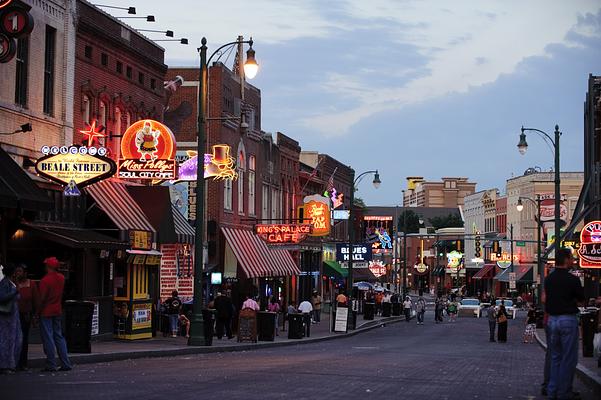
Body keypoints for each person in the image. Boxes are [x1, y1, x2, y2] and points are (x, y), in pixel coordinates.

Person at [545, 248, 585, 400]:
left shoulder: (549, 279)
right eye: (571, 258)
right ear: (566, 259)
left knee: (555, 357)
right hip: (567, 319)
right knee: (568, 358)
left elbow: (546, 299)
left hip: (553, 320)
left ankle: (552, 390)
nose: (573, 260)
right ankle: (564, 392)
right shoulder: (572, 279)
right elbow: (581, 299)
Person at [38, 257, 72, 372]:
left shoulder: (45, 281)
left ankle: (51, 364)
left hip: (46, 310)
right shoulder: (61, 278)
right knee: (59, 336)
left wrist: (37, 312)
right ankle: (65, 363)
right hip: (57, 309)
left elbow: (42, 299)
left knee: (48, 337)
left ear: (48, 266)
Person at [15, 264, 38, 370]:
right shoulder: (14, 283)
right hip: (14, 314)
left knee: (24, 339)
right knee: (14, 338)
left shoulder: (32, 284)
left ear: (25, 273)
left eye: (20, 271)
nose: (18, 273)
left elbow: (35, 300)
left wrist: (34, 315)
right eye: (17, 271)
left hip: (26, 315)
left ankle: (23, 363)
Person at [0, 263, 22, 374]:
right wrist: (14, 293)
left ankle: (9, 364)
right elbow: (2, 297)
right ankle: (5, 365)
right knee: (6, 341)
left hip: (12, 316)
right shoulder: (5, 283)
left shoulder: (10, 282)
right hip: (7, 317)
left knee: (13, 340)